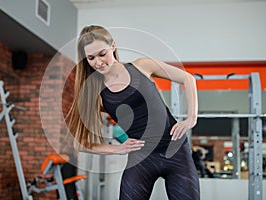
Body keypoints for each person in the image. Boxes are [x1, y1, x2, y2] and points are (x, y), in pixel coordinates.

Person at [67, 25, 200, 200]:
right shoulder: (96, 94)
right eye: (91, 58)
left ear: (113, 46)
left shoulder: (142, 66)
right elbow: (77, 142)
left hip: (176, 150)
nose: (98, 62)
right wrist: (116, 149)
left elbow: (187, 78)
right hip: (141, 159)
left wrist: (191, 118)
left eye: (102, 54)